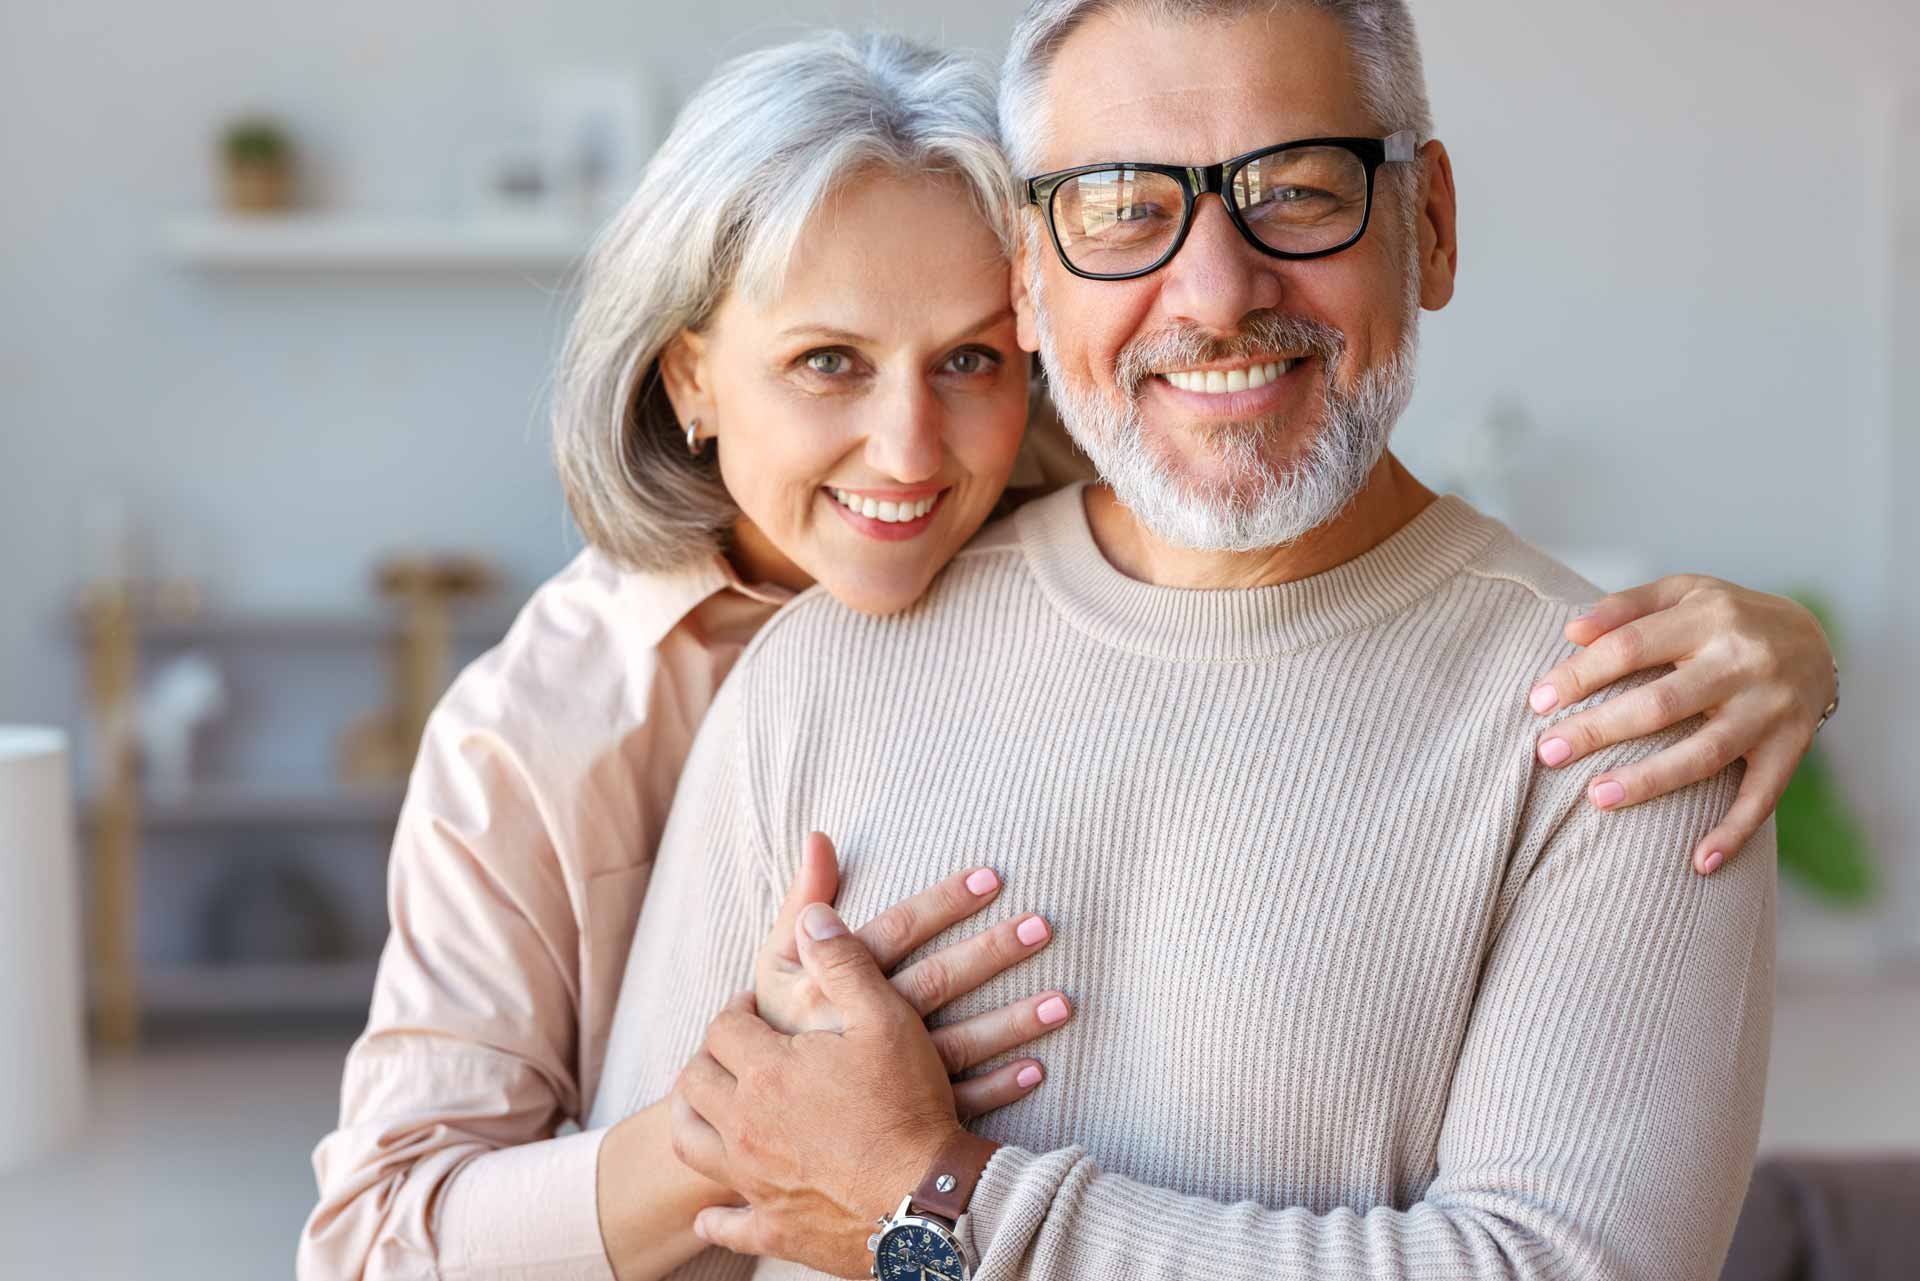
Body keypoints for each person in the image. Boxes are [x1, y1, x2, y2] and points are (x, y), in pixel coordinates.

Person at [300, 21, 1837, 1281]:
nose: (1218, 291)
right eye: (1124, 206)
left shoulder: (1638, 713)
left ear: (1426, 224)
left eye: (1299, 189)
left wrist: (937, 1202)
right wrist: (759, 1143)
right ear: (1045, 276)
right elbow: (658, 1235)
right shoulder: (757, 680)